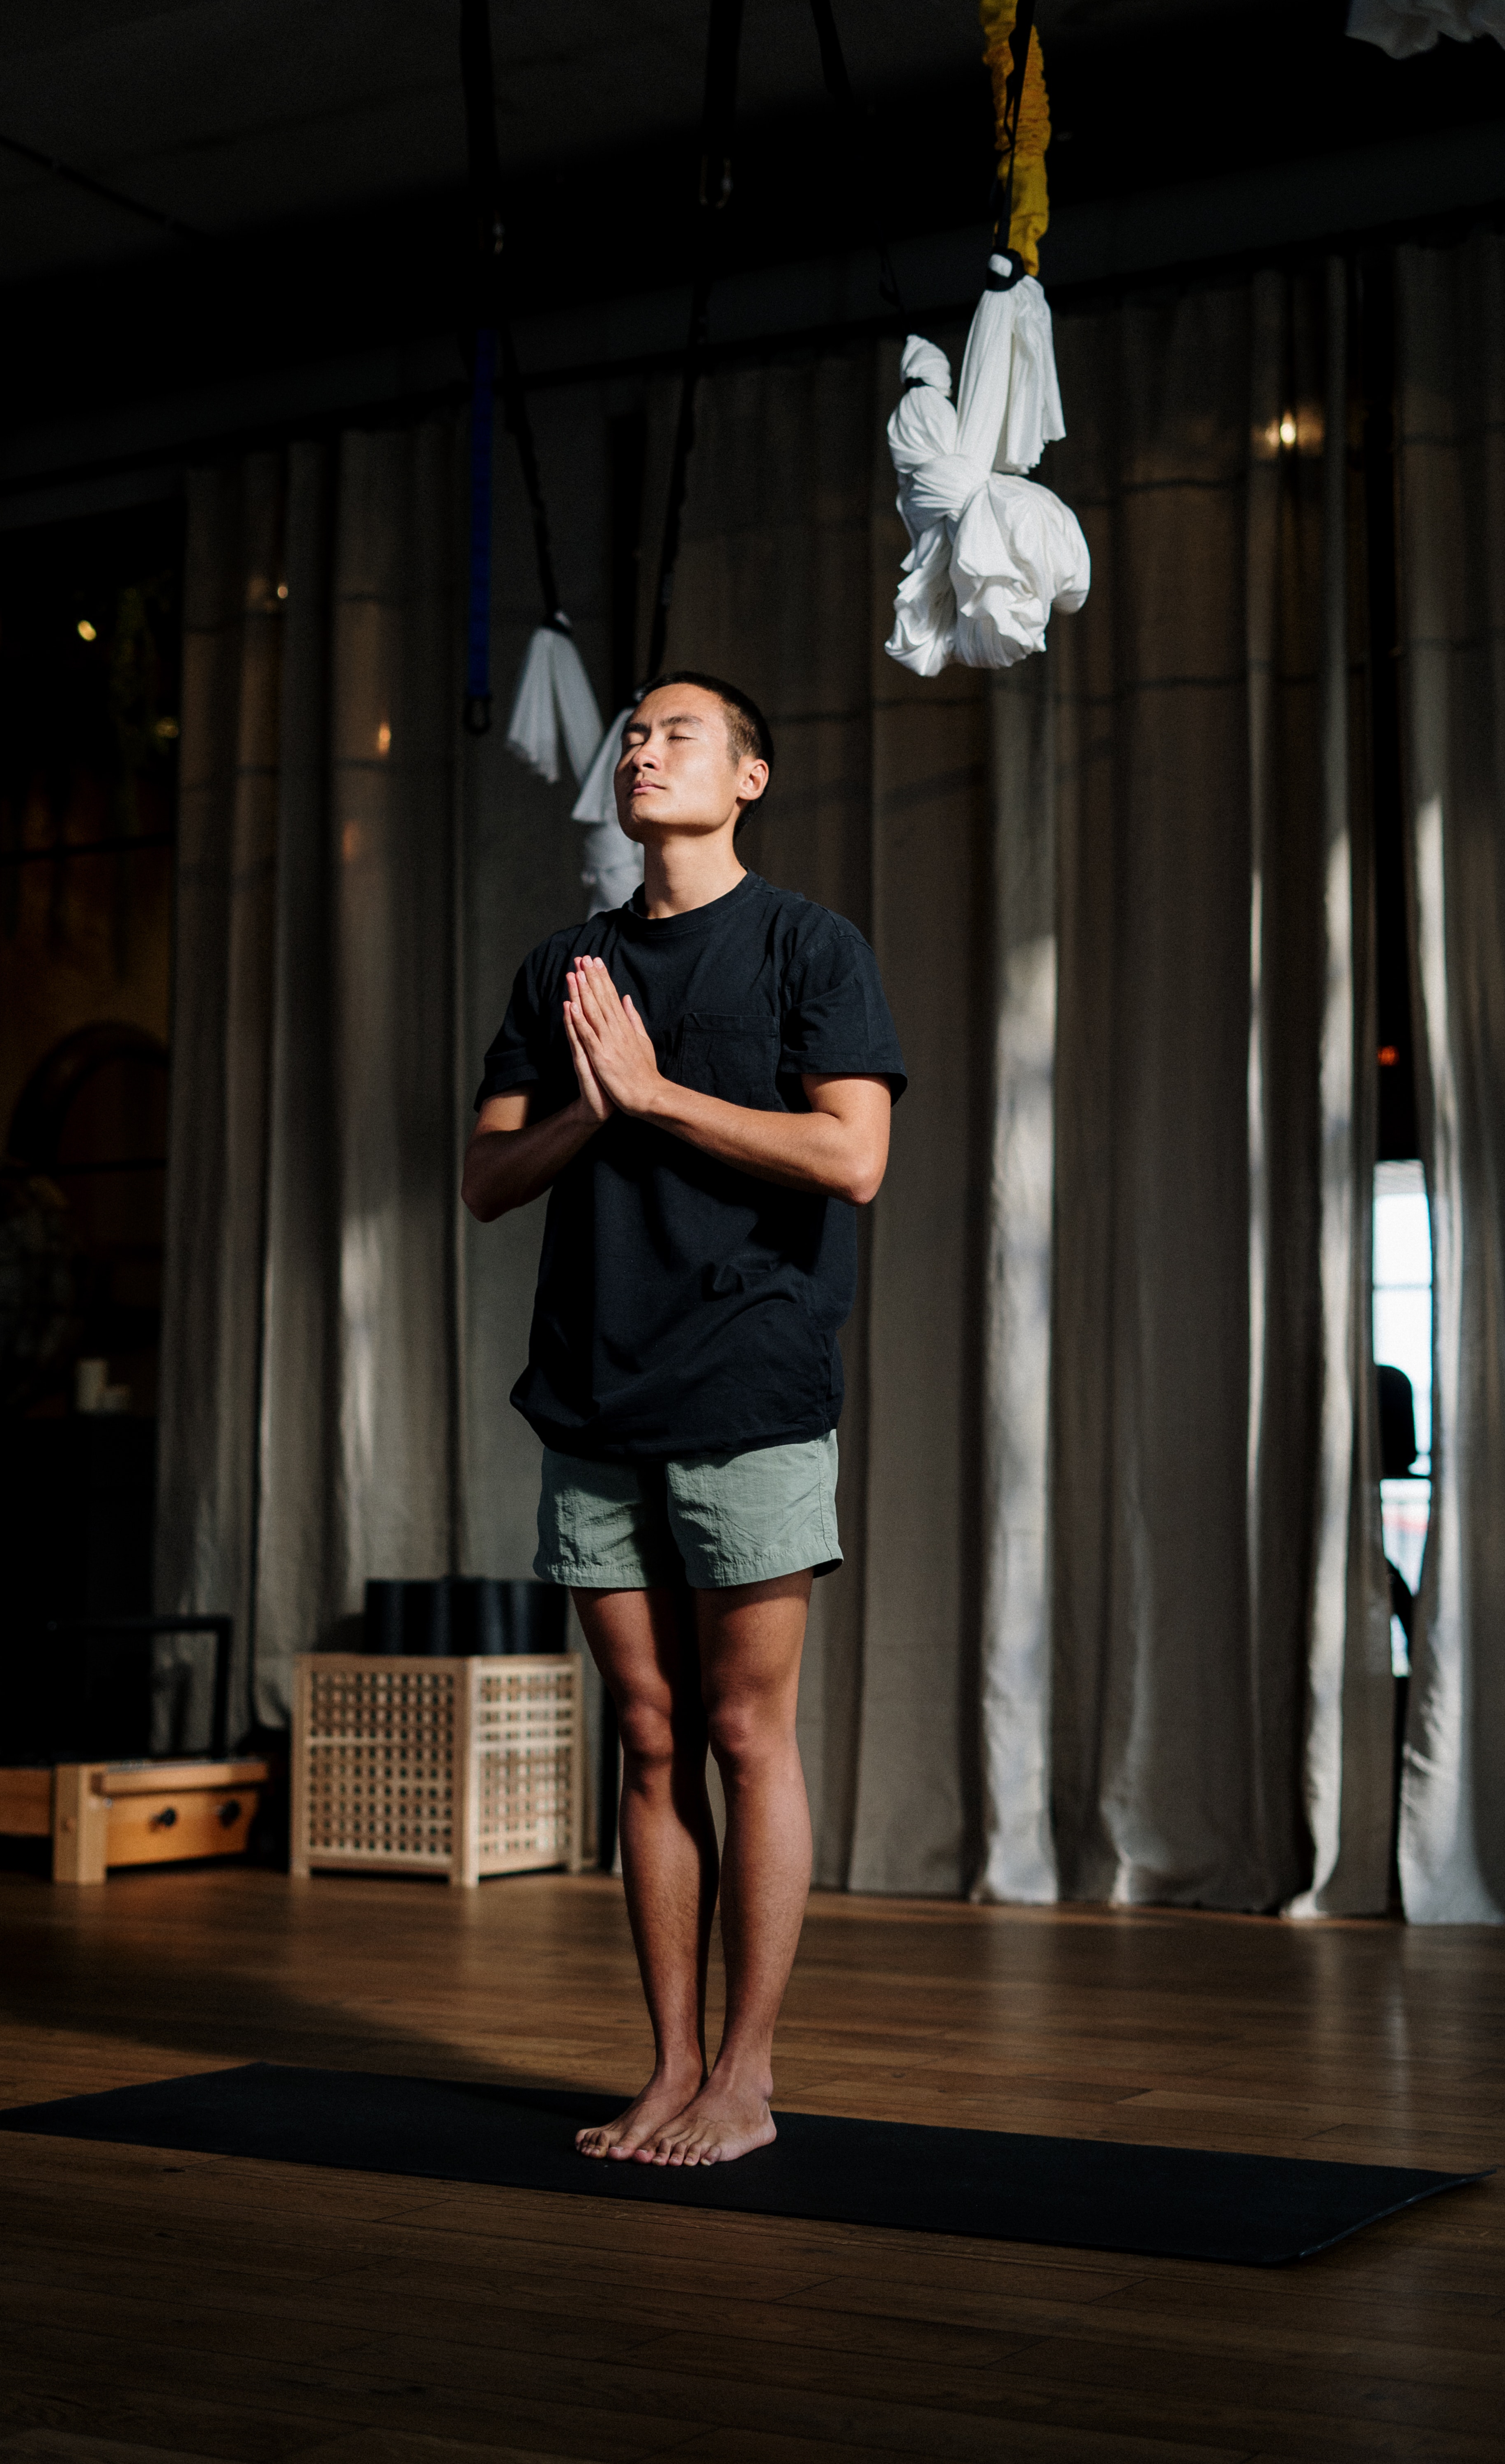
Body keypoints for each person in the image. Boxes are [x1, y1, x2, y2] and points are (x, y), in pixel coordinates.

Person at [462, 672, 905, 2167]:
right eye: (634, 733)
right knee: (647, 1738)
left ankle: (748, 2076)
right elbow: (487, 1179)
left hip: (750, 1383)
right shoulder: (565, 968)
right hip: (592, 1388)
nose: (645, 748)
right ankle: (667, 2071)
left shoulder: (808, 946)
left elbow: (853, 1159)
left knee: (739, 1728)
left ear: (752, 777)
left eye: (680, 731)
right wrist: (598, 1106)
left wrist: (654, 1099)